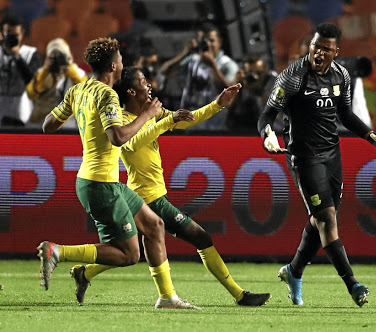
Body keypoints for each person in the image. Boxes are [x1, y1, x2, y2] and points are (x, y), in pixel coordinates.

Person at [68, 66, 271, 306]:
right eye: (143, 81)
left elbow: (185, 119)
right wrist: (165, 121)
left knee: (133, 251)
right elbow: (130, 144)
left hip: (149, 194)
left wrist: (218, 104)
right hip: (147, 197)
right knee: (200, 237)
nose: (149, 84)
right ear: (132, 91)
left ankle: (86, 272)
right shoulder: (122, 121)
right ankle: (239, 295)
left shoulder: (152, 113)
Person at [257, 23, 376, 307]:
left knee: (320, 221)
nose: (318, 53)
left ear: (335, 52)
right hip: (304, 157)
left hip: (332, 155)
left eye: (326, 49)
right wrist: (267, 134)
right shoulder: (293, 76)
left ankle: (294, 271)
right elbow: (267, 114)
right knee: (327, 220)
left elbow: (346, 115)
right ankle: (353, 285)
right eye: (315, 46)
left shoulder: (341, 75)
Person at [39, 37, 200, 310]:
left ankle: (167, 298)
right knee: (128, 254)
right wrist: (148, 115)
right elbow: (118, 137)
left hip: (101, 180)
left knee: (155, 226)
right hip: (100, 184)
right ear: (114, 65)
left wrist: (81, 121)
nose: (123, 64)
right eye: (121, 60)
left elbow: (48, 125)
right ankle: (58, 252)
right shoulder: (107, 94)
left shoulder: (78, 90)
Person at [160, 22, 239, 130]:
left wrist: (213, 67)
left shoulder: (228, 65)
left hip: (214, 123)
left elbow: (229, 95)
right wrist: (185, 52)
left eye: (211, 40)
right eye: (203, 41)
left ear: (219, 42)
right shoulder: (193, 59)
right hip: (190, 119)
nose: (207, 44)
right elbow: (165, 71)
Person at [26, 38, 88, 128]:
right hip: (40, 121)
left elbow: (85, 92)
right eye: (52, 57)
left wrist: (69, 69)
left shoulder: (77, 73)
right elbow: (31, 94)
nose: (56, 61)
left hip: (66, 123)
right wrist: (45, 71)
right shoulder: (41, 73)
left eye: (60, 57)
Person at [0, 14, 41, 126]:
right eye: (8, 34)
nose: (12, 37)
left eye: (16, 34)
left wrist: (17, 57)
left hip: (21, 111)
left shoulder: (31, 53)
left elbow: (33, 82)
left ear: (22, 34)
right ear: (1, 34)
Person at [226, 54, 279, 133]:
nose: (254, 77)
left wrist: (258, 90)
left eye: (258, 73)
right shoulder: (242, 82)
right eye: (249, 73)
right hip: (242, 127)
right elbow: (226, 106)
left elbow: (276, 115)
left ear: (265, 69)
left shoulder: (274, 81)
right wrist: (236, 84)